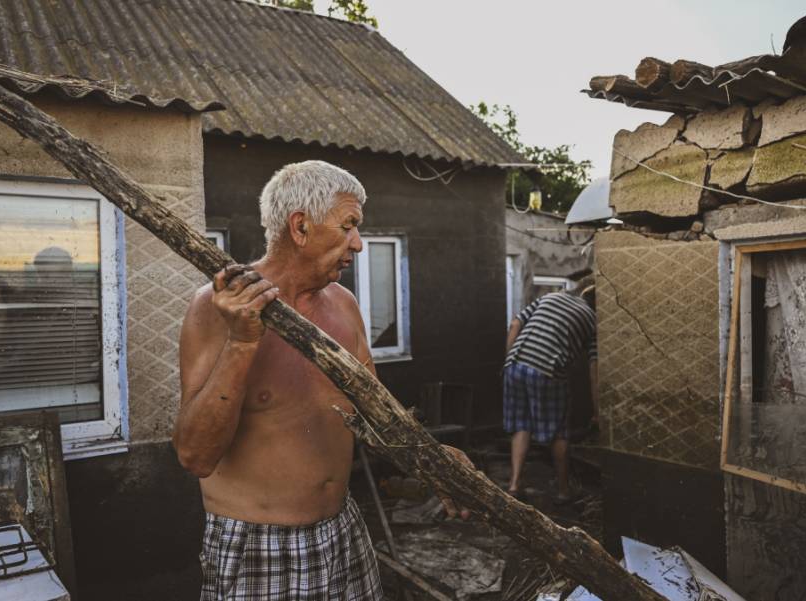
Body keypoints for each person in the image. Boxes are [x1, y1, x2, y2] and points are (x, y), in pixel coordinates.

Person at [174, 160, 467, 601]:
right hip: (259, 546)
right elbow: (195, 456)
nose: (359, 244)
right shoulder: (215, 308)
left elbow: (378, 419)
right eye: (349, 226)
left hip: (342, 530)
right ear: (300, 227)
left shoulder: (344, 305)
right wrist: (241, 342)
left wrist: (432, 460)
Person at [503, 285, 597, 503]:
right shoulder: (593, 321)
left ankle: (514, 485)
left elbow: (515, 323)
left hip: (515, 365)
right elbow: (595, 369)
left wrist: (508, 362)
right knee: (559, 432)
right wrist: (597, 411)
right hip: (547, 371)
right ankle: (564, 490)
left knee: (521, 425)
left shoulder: (551, 296)